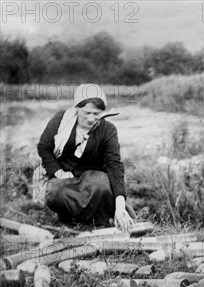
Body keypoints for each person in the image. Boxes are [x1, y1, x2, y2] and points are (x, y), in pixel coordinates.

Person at [35, 83, 134, 232]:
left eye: (96, 114)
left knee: (101, 185)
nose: (91, 119)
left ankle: (100, 222)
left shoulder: (108, 130)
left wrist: (120, 206)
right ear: (76, 108)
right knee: (54, 192)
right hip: (66, 178)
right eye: (86, 113)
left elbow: (114, 165)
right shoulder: (61, 120)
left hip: (93, 180)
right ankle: (69, 220)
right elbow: (44, 147)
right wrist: (58, 172)